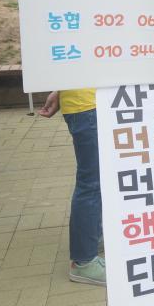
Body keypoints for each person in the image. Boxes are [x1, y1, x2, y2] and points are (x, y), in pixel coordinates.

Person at [38, 88, 106, 285]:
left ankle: (92, 237)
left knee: (97, 179)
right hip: (88, 106)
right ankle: (84, 262)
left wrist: (61, 90)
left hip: (88, 102)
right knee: (92, 182)